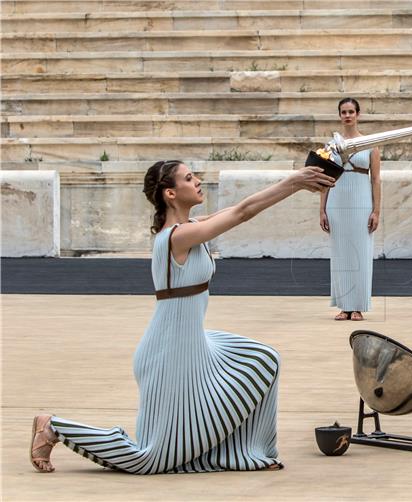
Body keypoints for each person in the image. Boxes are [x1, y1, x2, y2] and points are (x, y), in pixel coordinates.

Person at [29, 160, 334, 474]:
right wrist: (294, 183)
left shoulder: (191, 229)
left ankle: (242, 452)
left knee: (263, 360)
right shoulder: (176, 238)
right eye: (190, 178)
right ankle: (54, 427)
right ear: (170, 193)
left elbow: (237, 208)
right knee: (150, 460)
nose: (198, 181)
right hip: (170, 352)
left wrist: (295, 184)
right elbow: (243, 212)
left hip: (192, 344)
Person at [319, 98, 382, 321]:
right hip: (337, 200)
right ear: (339, 115)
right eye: (343, 112)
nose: (347, 115)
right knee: (340, 254)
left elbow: (375, 179)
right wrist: (322, 210)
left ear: (358, 114)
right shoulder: (331, 145)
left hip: (361, 200)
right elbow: (325, 178)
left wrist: (376, 211)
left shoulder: (371, 143)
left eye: (351, 112)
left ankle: (357, 306)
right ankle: (344, 306)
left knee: (360, 252)